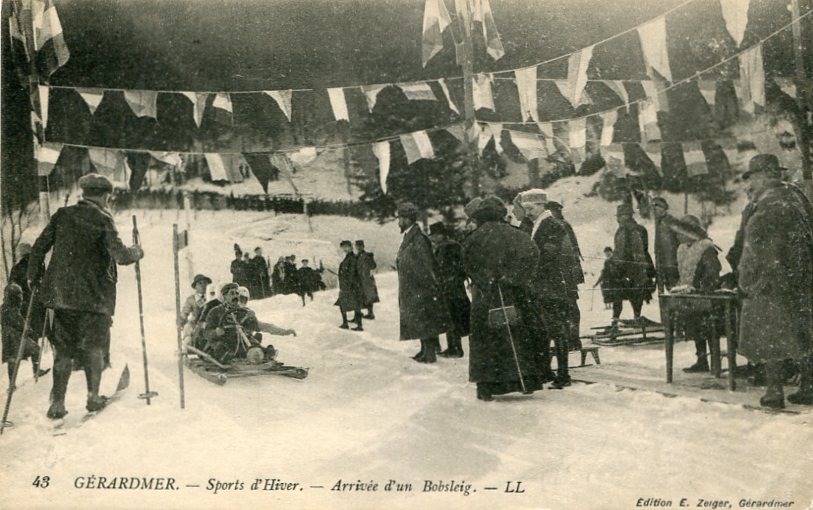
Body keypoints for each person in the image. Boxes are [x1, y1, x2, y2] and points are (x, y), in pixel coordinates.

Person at [27, 173, 144, 419]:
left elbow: (38, 249)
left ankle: (57, 403)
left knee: (64, 350)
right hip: (94, 299)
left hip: (61, 299)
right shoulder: (103, 219)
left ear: (83, 193)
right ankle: (92, 397)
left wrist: (34, 277)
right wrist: (137, 250)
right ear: (104, 196)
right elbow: (121, 256)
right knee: (94, 348)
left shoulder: (62, 215)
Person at [737, 154, 813, 408]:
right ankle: (809, 386)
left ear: (762, 176)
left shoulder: (768, 204)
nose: (750, 185)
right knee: (803, 333)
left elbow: (756, 249)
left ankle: (774, 391)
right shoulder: (797, 197)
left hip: (771, 282)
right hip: (802, 277)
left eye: (752, 178)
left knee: (771, 337)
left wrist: (747, 280)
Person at [462, 196, 544, 400]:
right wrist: (514, 278)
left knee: (486, 340)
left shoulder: (473, 238)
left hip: (485, 296)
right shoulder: (517, 235)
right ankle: (525, 381)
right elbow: (534, 256)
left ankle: (487, 386)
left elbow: (466, 263)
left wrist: (485, 279)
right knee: (517, 336)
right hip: (514, 293)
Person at [516, 189, 571, 387]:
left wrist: (529, 263)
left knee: (556, 330)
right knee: (544, 330)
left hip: (550, 286)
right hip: (541, 285)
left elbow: (548, 256)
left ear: (541, 205)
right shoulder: (537, 225)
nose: (527, 212)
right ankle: (547, 372)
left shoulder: (552, 225)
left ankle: (564, 375)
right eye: (526, 208)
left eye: (530, 208)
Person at [396, 202, 449, 363]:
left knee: (424, 319)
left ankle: (429, 353)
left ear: (407, 219)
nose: (399, 222)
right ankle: (424, 350)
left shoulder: (418, 239)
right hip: (413, 288)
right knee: (419, 320)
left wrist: (428, 286)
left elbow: (426, 265)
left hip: (421, 288)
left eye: (400, 218)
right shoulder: (410, 236)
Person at [669, 215, 722, 373]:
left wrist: (701, 287)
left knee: (709, 329)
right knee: (696, 328)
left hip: (707, 297)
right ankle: (702, 360)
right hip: (692, 297)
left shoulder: (706, 248)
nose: (678, 236)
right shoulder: (684, 249)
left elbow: (713, 271)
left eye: (680, 232)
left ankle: (714, 362)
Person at [429, 222, 470, 358]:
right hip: (447, 288)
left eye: (435, 235)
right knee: (451, 317)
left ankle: (455, 349)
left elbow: (461, 267)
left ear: (442, 234)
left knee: (454, 317)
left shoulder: (452, 247)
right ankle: (453, 347)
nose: (433, 238)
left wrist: (453, 279)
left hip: (453, 289)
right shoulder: (442, 247)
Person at [548, 200, 584, 353]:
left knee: (568, 305)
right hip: (566, 272)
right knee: (569, 305)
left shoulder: (560, 226)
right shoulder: (563, 225)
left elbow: (567, 253)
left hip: (564, 273)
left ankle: (572, 339)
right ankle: (571, 338)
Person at [611, 202, 655, 321]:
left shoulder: (625, 231)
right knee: (635, 297)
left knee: (621, 296)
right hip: (635, 270)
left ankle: (617, 321)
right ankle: (635, 318)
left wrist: (616, 267)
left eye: (620, 216)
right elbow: (645, 251)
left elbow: (622, 252)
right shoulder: (638, 229)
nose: (619, 219)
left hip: (628, 270)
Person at [202, 283, 263, 364]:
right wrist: (216, 332)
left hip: (240, 341)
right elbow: (206, 333)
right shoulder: (215, 311)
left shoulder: (244, 311)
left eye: (237, 293)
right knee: (219, 346)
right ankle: (225, 357)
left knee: (252, 342)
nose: (235, 296)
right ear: (225, 296)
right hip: (224, 341)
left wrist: (252, 318)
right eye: (232, 293)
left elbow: (255, 328)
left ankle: (263, 353)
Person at [2, 283, 49, 383]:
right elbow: (19, 322)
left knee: (13, 360)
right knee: (35, 349)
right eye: (19, 296)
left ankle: (12, 383)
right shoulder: (12, 309)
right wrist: (28, 329)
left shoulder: (4, 308)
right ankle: (36, 370)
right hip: (17, 338)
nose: (21, 298)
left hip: (8, 339)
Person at [651, 197, 681, 293]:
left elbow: (680, 240)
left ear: (663, 208)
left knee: (674, 288)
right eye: (653, 208)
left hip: (672, 262)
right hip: (661, 261)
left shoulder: (671, 221)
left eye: (657, 207)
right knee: (663, 289)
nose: (654, 210)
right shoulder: (658, 222)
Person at [335, 241, 364, 331]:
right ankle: (349, 323)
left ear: (350, 247)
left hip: (351, 286)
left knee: (352, 305)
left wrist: (347, 285)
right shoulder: (348, 257)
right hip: (348, 285)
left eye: (346, 247)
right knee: (352, 305)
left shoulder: (352, 258)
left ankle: (353, 325)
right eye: (343, 247)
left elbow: (351, 273)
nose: (344, 249)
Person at [354, 240, 379, 319]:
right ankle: (359, 313)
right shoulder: (356, 256)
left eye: (360, 246)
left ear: (363, 246)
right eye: (357, 246)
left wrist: (371, 258)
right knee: (359, 296)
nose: (359, 247)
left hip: (367, 280)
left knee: (369, 296)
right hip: (359, 279)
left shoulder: (368, 255)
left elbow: (373, 266)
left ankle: (370, 313)